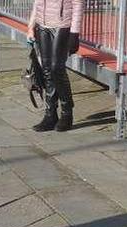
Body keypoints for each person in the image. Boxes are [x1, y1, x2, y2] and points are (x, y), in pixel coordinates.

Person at [26, 0, 83, 132]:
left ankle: (67, 113)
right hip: (42, 25)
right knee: (46, 70)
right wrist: (31, 26)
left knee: (56, 68)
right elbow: (37, 3)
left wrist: (74, 33)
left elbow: (78, 4)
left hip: (62, 25)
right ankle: (50, 114)